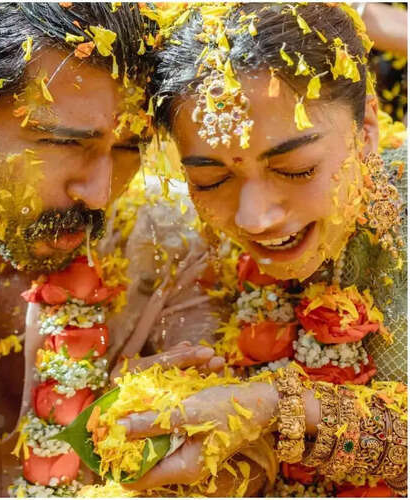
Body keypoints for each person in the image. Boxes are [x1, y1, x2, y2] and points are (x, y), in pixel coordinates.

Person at [0, 3, 244, 496]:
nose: (99, 193)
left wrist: (163, 427)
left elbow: (244, 462)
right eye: (65, 142)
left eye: (129, 147)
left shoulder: (168, 246)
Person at [112, 2, 407, 496]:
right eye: (211, 179)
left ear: (368, 131)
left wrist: (277, 406)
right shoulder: (196, 244)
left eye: (295, 169)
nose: (254, 219)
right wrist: (183, 433)